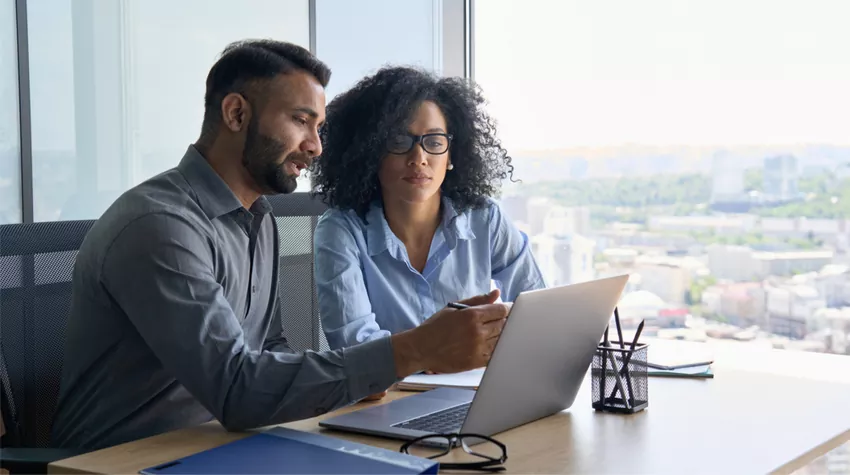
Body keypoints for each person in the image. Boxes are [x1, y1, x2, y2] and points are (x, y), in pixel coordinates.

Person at [51, 40, 510, 451]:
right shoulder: (160, 226)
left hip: (223, 445)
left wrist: (361, 374)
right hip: (126, 460)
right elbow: (236, 389)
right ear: (236, 114)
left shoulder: (259, 218)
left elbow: (268, 349)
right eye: (300, 121)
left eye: (319, 126)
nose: (315, 146)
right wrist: (411, 351)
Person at [311, 67, 545, 398]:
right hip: (384, 406)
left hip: (477, 396)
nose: (418, 157)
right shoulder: (340, 231)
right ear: (371, 152)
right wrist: (434, 351)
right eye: (399, 141)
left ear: (451, 155)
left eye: (434, 142)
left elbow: (536, 309)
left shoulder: (484, 218)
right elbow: (358, 353)